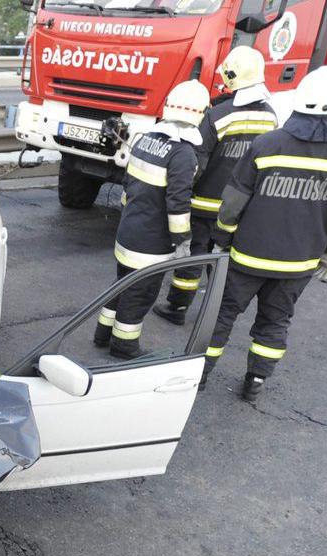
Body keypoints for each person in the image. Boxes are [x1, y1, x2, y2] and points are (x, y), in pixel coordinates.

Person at [205, 66, 327, 400]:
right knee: (275, 322)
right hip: (299, 263)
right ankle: (255, 383)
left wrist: (222, 238)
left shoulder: (267, 145)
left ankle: (200, 376)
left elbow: (233, 202)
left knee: (222, 315)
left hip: (247, 257)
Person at [156, 45, 275, 325]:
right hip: (240, 209)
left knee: (193, 258)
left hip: (204, 205)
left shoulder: (218, 115)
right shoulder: (270, 116)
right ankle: (216, 313)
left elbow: (198, 162)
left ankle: (178, 308)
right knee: (223, 262)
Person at [94, 80, 209, 359]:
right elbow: (178, 204)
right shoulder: (183, 153)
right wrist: (182, 242)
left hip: (128, 229)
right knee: (140, 293)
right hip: (151, 242)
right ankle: (124, 346)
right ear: (199, 113)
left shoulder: (146, 139)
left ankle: (103, 333)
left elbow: (128, 184)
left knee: (120, 283)